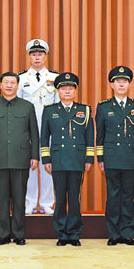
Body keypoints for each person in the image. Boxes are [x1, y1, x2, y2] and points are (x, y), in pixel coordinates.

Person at [0, 72, 39, 245]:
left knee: (19, 197)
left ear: (17, 85)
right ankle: (3, 234)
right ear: (0, 85)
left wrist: (35, 156)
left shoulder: (27, 106)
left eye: (12, 82)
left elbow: (34, 134)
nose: (9, 85)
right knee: (2, 198)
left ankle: (19, 234)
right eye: (5, 82)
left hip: (21, 158)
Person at [41, 72, 94, 246]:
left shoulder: (84, 110)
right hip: (58, 159)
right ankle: (61, 234)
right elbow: (44, 137)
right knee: (60, 198)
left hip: (77, 159)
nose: (67, 91)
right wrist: (46, 159)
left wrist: (89, 159)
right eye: (64, 88)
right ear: (58, 91)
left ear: (75, 90)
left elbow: (89, 136)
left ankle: (74, 233)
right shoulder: (49, 110)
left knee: (74, 198)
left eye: (70, 88)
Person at [95, 66, 134, 246]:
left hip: (130, 157)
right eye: (118, 81)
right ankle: (113, 234)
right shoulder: (103, 107)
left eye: (125, 81)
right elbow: (99, 134)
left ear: (129, 84)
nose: (121, 84)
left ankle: (127, 232)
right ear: (112, 85)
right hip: (111, 157)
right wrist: (100, 158)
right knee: (113, 196)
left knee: (128, 197)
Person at [17, 38, 59, 215]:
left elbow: (59, 105)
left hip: (49, 129)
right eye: (33, 54)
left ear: (45, 56)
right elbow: (17, 104)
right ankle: (30, 202)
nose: (37, 58)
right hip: (28, 129)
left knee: (48, 166)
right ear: (29, 57)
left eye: (40, 54)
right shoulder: (21, 78)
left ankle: (47, 203)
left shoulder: (55, 78)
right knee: (30, 166)